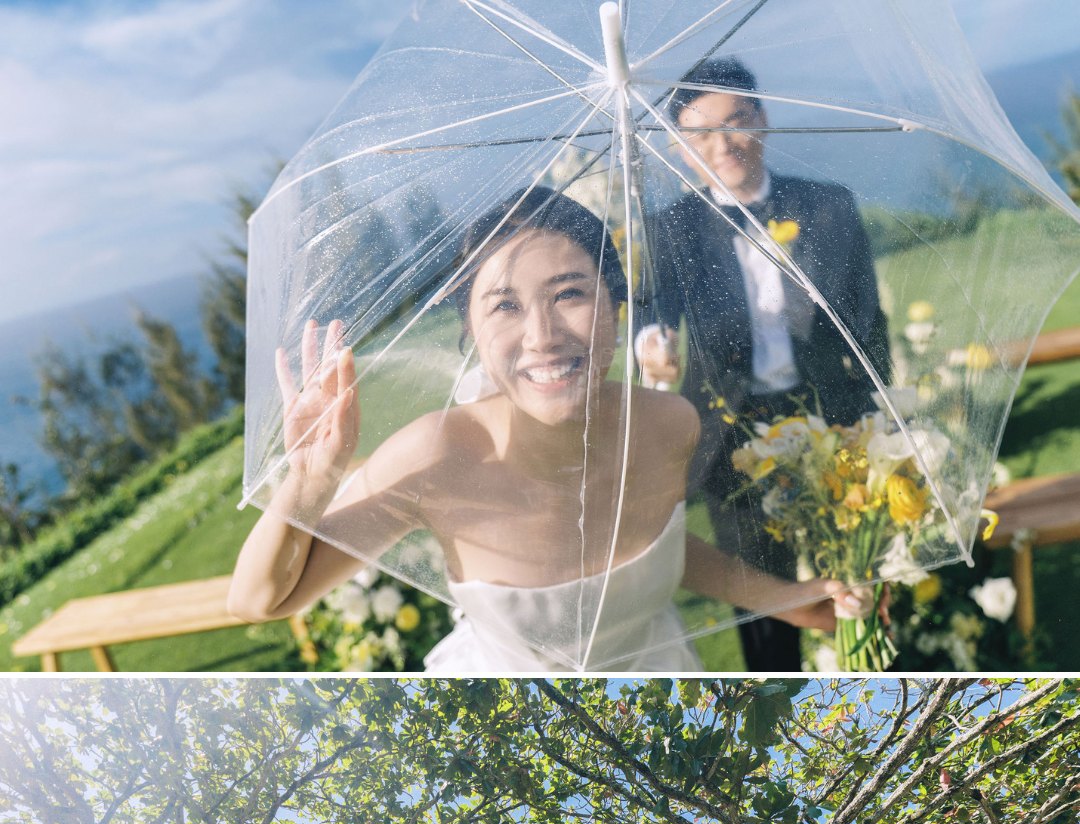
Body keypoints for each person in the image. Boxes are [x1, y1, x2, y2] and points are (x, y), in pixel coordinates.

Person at [229, 186, 867, 672]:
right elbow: (260, 601)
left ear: (616, 307)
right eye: (504, 306)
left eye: (570, 294)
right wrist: (310, 482)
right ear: (472, 334)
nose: (542, 337)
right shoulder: (437, 457)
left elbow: (654, 552)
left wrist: (783, 596)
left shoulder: (670, 424)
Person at [640, 57, 891, 671]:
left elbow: (869, 321)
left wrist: (881, 418)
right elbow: (652, 307)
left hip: (835, 419)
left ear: (763, 118)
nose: (723, 143)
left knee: (860, 574)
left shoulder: (829, 206)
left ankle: (868, 669)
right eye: (699, 133)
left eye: (737, 120)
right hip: (732, 435)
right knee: (761, 598)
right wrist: (651, 342)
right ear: (679, 148)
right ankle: (774, 700)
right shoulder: (667, 230)